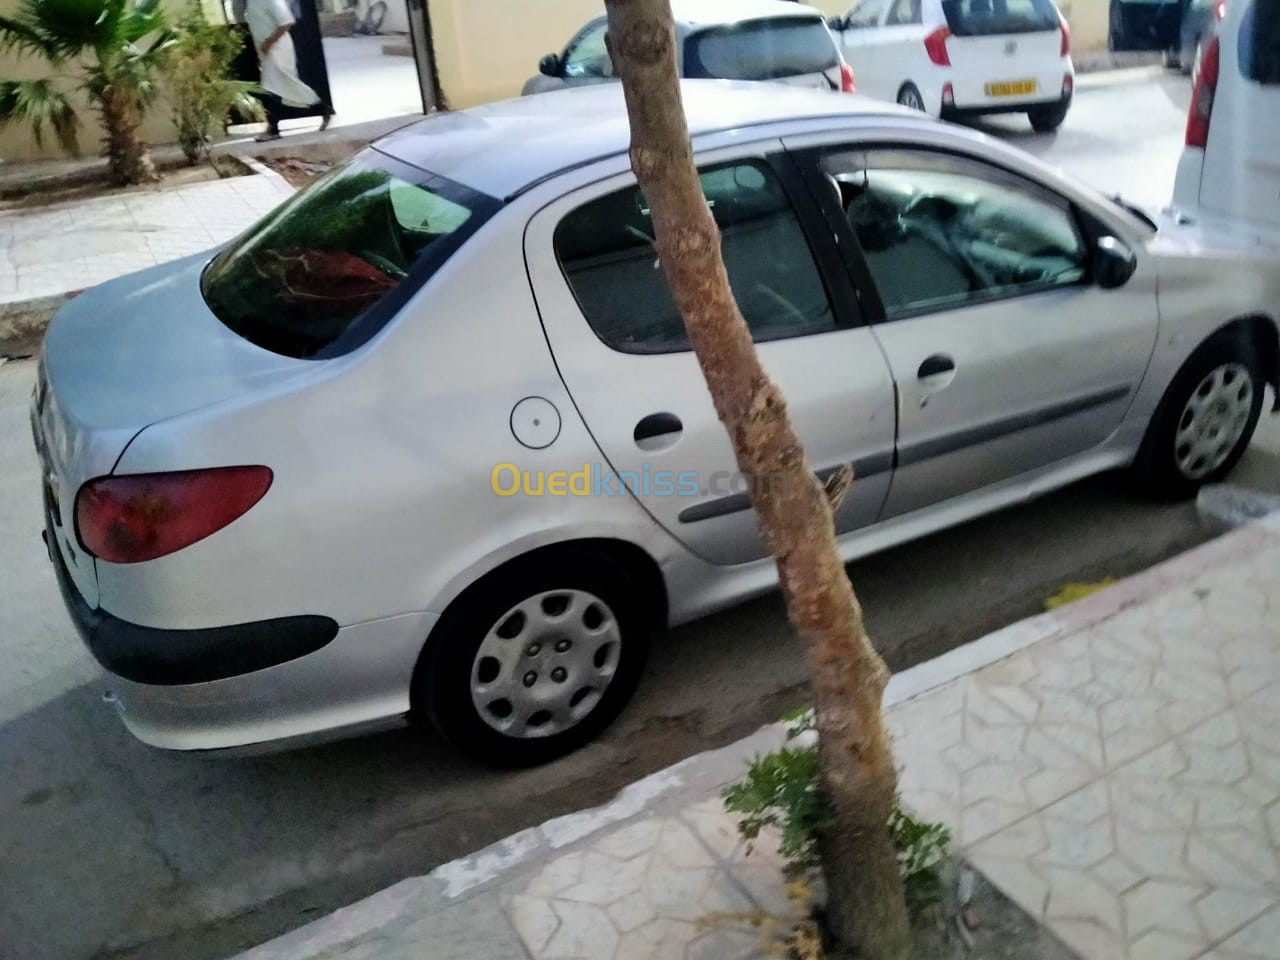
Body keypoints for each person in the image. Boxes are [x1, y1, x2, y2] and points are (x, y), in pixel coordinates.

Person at [246, 0, 333, 141]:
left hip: (278, 49)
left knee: (273, 88)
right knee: (276, 88)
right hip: (267, 52)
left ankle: (274, 128)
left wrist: (269, 42)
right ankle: (321, 108)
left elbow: (286, 22)